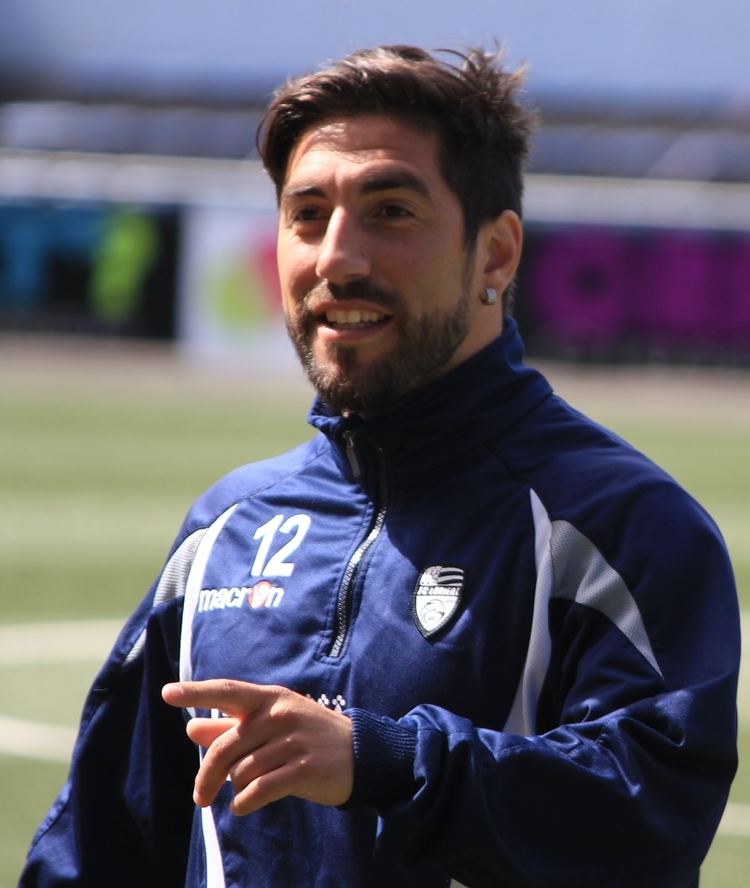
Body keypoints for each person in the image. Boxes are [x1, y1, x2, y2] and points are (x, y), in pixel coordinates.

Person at [21, 46, 739, 888]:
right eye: (307, 213)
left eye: (390, 211)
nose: (337, 259)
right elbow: (103, 845)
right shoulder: (226, 530)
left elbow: (646, 819)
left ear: (497, 255)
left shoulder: (619, 526)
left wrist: (384, 762)